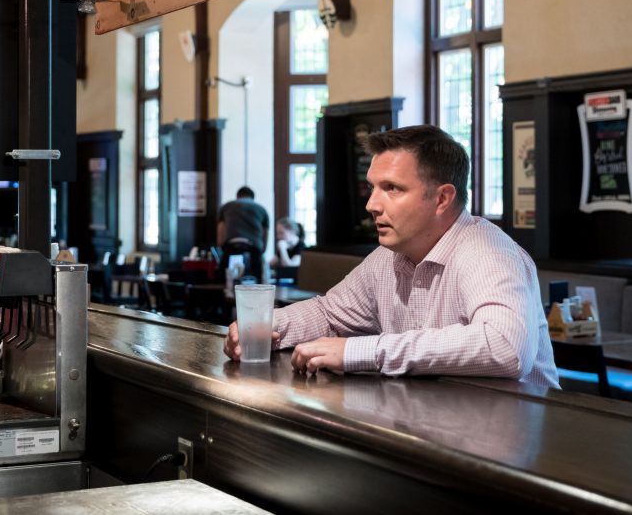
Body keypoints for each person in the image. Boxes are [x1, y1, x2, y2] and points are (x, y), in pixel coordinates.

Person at [224, 125, 559, 388]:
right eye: (372, 187)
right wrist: (268, 326)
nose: (372, 204)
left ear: (442, 199)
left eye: (392, 188)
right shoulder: (388, 257)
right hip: (435, 429)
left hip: (515, 449)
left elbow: (505, 348)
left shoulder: (487, 252)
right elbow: (330, 314)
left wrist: (361, 352)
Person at [217, 186, 270, 281]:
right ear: (253, 198)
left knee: (225, 278)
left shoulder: (226, 207)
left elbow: (221, 229)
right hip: (253, 247)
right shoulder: (261, 209)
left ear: (237, 196)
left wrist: (222, 247)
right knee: (256, 279)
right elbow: (265, 233)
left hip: (231, 246)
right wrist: (262, 250)